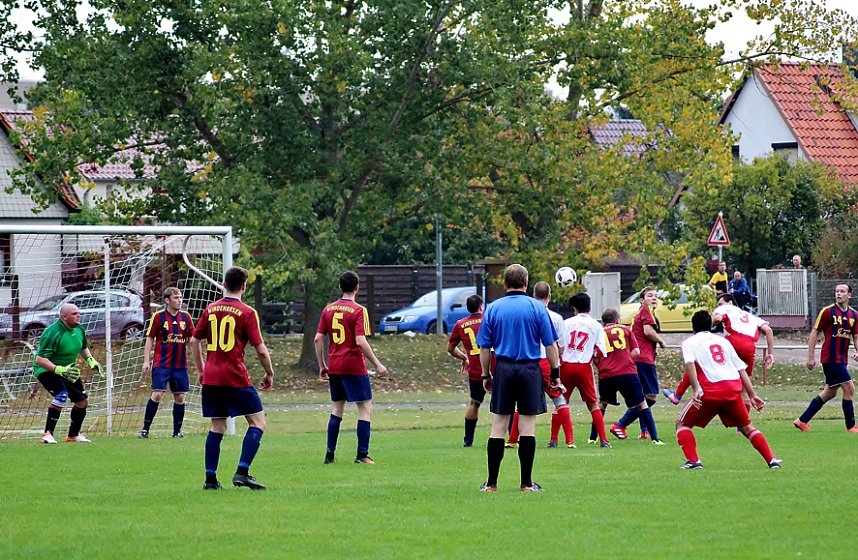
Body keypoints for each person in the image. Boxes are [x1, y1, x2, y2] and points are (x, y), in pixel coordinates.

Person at [476, 264, 560, 492]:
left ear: (505, 283)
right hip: (529, 370)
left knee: (499, 425)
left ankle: (491, 483)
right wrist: (555, 373)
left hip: (503, 368)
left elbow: (484, 347)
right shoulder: (537, 308)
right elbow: (550, 345)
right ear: (526, 282)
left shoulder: (493, 308)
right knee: (527, 426)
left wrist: (486, 374)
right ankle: (526, 483)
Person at [190, 266, 275, 490]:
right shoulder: (247, 312)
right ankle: (242, 472)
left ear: (225, 284)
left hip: (211, 377)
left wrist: (201, 369)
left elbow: (194, 341)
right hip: (234, 376)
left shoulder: (210, 309)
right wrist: (269, 372)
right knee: (258, 422)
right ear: (244, 286)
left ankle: (210, 479)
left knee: (217, 426)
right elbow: (261, 350)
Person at [676, 310, 781, 469]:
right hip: (733, 390)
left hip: (710, 391)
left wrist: (696, 388)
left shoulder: (689, 343)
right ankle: (772, 460)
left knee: (682, 424)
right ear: (710, 325)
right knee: (747, 428)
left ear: (693, 327)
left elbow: (690, 365)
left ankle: (693, 461)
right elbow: (740, 369)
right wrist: (752, 394)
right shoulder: (723, 342)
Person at [315, 271, 388, 465]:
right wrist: (378, 364)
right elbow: (360, 341)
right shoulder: (359, 310)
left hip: (334, 366)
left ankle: (329, 455)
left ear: (340, 287)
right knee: (365, 408)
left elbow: (318, 339)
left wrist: (322, 365)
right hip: (353, 366)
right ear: (357, 288)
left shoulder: (328, 309)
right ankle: (362, 455)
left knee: (337, 409)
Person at [664, 293, 774, 412]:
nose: (719, 306)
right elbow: (768, 330)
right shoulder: (750, 316)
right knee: (743, 387)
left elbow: (717, 319)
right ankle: (743, 418)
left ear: (730, 302)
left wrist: (706, 326)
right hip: (749, 347)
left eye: (720, 303)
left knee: (696, 364)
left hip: (733, 341)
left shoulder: (726, 308)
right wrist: (770, 353)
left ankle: (677, 395)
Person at [506, 281, 570, 449]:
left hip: (529, 362)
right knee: (558, 398)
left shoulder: (526, 314)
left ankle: (512, 439)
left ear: (533, 295)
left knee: (523, 401)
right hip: (548, 362)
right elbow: (560, 347)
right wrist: (556, 365)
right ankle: (569, 441)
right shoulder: (556, 318)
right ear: (549, 295)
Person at [34, 303, 105, 444]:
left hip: (69, 370)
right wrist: (58, 369)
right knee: (61, 395)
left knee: (82, 402)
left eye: (78, 313)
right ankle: (48, 434)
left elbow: (83, 347)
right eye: (74, 314)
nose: (78, 316)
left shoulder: (79, 329)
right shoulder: (52, 332)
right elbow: (40, 359)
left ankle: (73, 436)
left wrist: (91, 361)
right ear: (64, 317)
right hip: (46, 369)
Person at [794, 283, 858, 433]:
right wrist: (810, 357)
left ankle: (802, 421)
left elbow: (856, 335)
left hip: (842, 359)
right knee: (849, 388)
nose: (838, 294)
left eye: (842, 291)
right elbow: (814, 332)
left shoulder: (854, 315)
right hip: (830, 357)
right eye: (837, 291)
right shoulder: (828, 311)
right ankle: (851, 426)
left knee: (830, 392)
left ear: (849, 295)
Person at [595, 309, 664, 445]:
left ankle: (594, 437)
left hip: (607, 372)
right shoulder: (626, 329)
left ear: (603, 322)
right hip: (628, 370)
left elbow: (596, 355)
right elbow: (636, 351)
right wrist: (625, 360)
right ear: (618, 320)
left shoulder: (600, 333)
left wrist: (603, 365)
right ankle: (655, 438)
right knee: (643, 402)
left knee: (602, 403)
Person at [139, 287, 193, 439]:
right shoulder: (158, 317)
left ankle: (177, 432)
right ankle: (145, 429)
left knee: (180, 397)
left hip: (180, 365)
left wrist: (198, 356)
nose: (179, 300)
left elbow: (192, 338)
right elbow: (150, 338)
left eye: (180, 297)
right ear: (167, 300)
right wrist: (146, 361)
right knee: (157, 394)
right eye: (176, 298)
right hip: (161, 364)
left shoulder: (186, 317)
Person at [613, 286, 665, 440]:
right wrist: (661, 341)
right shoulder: (646, 311)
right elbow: (648, 331)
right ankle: (621, 424)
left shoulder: (639, 314)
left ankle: (644, 431)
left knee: (642, 397)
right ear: (642, 300)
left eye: (655, 296)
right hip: (643, 360)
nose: (654, 298)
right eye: (650, 296)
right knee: (650, 397)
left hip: (637, 359)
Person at [560, 292, 611, 448]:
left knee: (561, 403)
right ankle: (603, 440)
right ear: (590, 307)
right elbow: (601, 351)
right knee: (593, 404)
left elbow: (559, 345)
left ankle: (558, 440)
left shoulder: (566, 323)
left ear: (574, 308)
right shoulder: (596, 325)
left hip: (566, 365)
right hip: (583, 366)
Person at [448, 294, 485, 447]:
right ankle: (511, 438)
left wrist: (464, 357)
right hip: (495, 368)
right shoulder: (489, 320)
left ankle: (468, 440)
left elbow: (450, 348)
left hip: (476, 370)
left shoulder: (460, 324)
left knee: (475, 403)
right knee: (505, 403)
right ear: (481, 306)